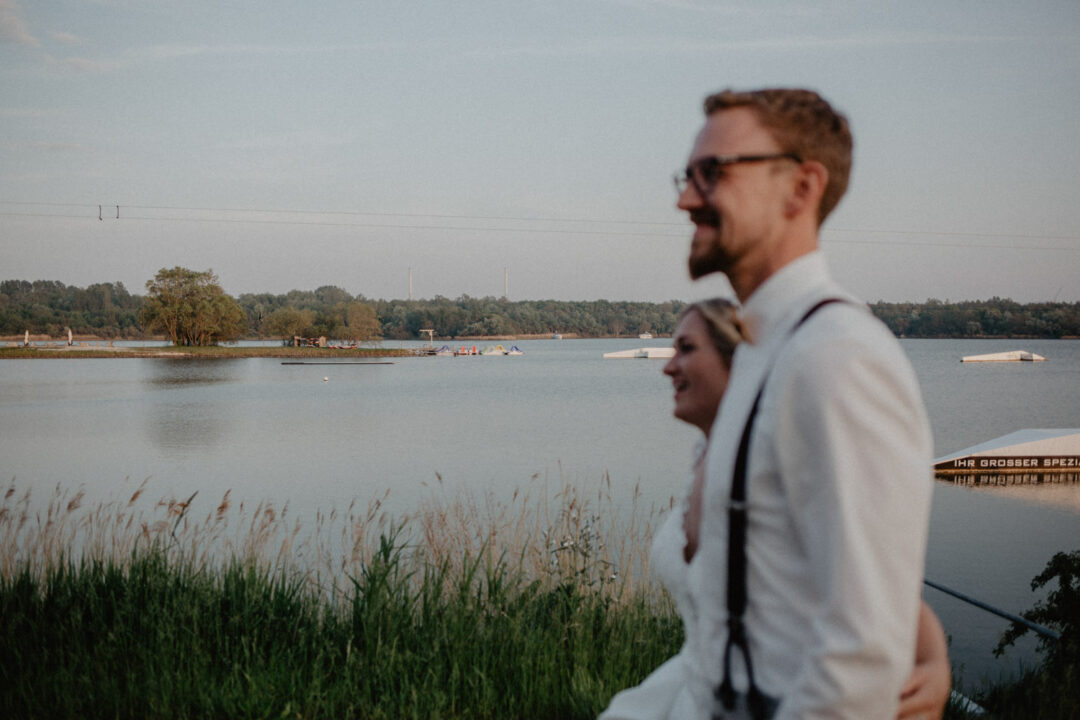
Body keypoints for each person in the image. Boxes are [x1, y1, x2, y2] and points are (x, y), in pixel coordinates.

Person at [676, 88, 935, 718]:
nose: (686, 199)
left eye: (713, 174)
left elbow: (862, 659)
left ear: (801, 188)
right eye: (686, 177)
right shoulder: (772, 351)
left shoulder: (836, 359)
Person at [598, 301, 949, 720]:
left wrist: (933, 663)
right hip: (691, 686)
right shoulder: (706, 454)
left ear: (738, 362)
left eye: (687, 349)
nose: (668, 367)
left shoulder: (775, 467)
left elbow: (876, 587)